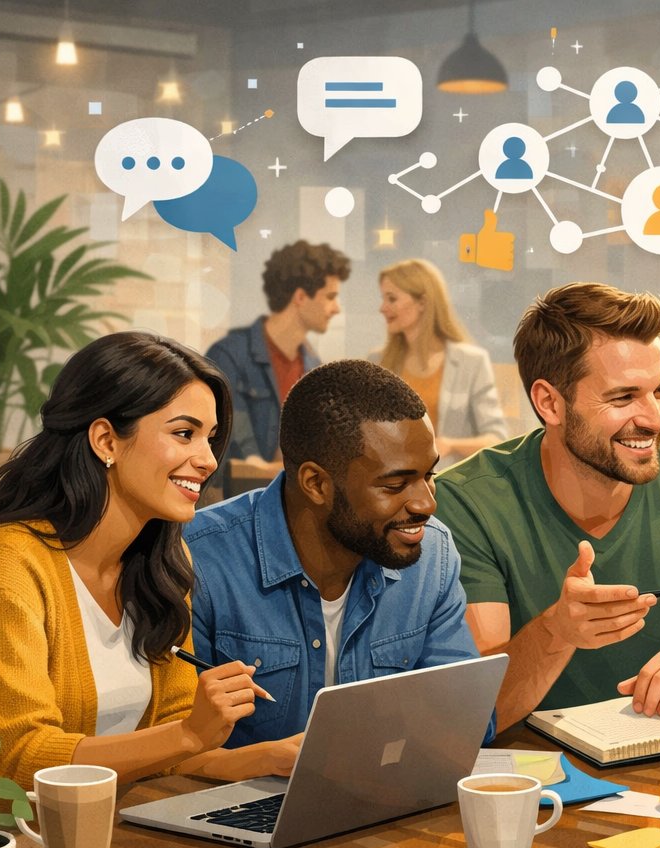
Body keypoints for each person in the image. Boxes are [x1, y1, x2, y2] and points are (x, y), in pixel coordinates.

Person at [0, 332, 265, 789]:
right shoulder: (3, 569)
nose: (207, 460)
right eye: (184, 433)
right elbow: (17, 760)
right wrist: (187, 735)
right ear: (106, 440)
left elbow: (168, 744)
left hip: (110, 835)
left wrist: (270, 761)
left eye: (210, 438)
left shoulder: (163, 560)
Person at [434, 282, 660, 731]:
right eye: (623, 397)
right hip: (527, 770)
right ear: (549, 403)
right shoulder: (467, 500)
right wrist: (557, 632)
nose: (655, 418)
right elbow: (474, 710)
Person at [185, 360, 493, 773]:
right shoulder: (198, 561)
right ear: (316, 484)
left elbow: (466, 723)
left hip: (383, 803)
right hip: (236, 812)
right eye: (394, 484)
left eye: (429, 475)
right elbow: (170, 753)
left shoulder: (431, 555)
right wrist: (259, 762)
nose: (426, 504)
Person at [206, 240, 350, 462]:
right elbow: (239, 455)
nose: (337, 308)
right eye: (330, 296)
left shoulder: (313, 365)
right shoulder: (229, 356)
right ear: (301, 297)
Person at [377, 259, 508, 461]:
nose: (382, 308)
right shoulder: (378, 362)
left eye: (391, 299)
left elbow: (497, 438)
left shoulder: (471, 362)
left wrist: (450, 444)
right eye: (383, 298)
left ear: (422, 303)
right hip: (393, 484)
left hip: (450, 483)